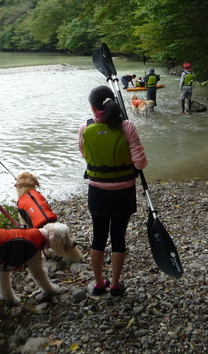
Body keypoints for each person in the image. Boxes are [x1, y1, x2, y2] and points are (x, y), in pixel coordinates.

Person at [78, 85, 148, 297]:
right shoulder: (128, 127)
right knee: (118, 237)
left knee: (98, 237)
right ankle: (116, 284)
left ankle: (99, 283)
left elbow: (85, 155)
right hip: (123, 192)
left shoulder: (85, 128)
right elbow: (140, 163)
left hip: (97, 192)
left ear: (93, 107)